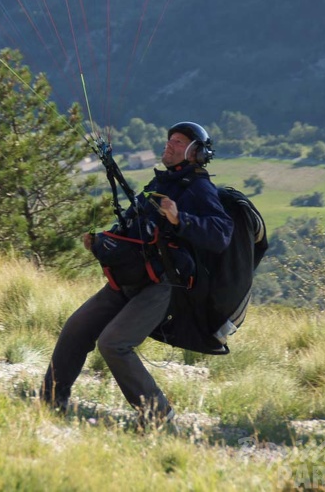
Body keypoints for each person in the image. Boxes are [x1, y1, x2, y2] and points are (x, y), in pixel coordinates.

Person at [40, 121, 234, 428]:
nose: (169, 145)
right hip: (133, 277)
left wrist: (180, 218)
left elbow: (222, 233)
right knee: (77, 328)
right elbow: (134, 229)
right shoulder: (161, 184)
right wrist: (104, 244)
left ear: (195, 153)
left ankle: (159, 417)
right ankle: (50, 404)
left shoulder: (198, 188)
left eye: (179, 142)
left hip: (164, 284)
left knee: (113, 343)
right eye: (169, 140)